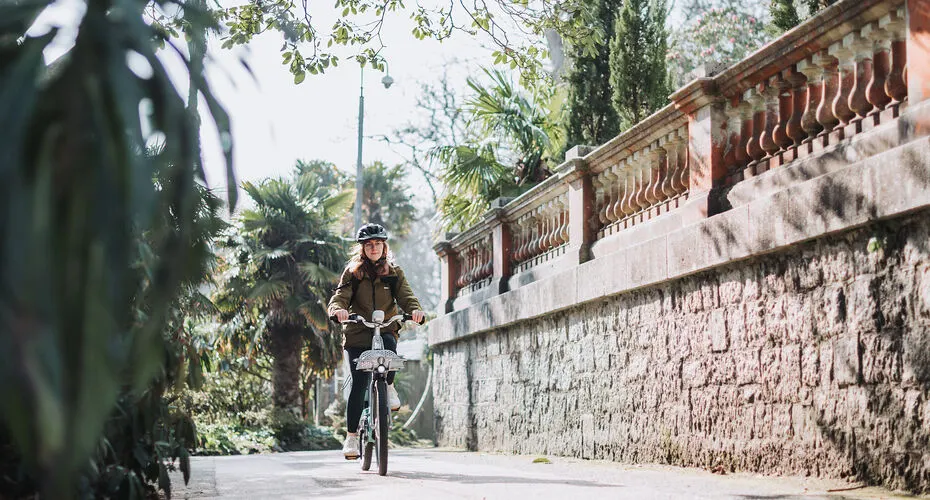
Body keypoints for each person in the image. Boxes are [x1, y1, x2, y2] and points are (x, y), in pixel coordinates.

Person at [328, 222, 425, 459]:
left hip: (385, 328)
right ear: (363, 248)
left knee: (390, 349)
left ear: (384, 246)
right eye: (369, 245)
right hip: (358, 332)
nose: (374, 248)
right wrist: (338, 311)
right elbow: (340, 297)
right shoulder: (353, 272)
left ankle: (388, 386)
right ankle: (351, 438)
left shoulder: (393, 273)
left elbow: (406, 296)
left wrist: (416, 311)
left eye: (378, 244)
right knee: (359, 382)